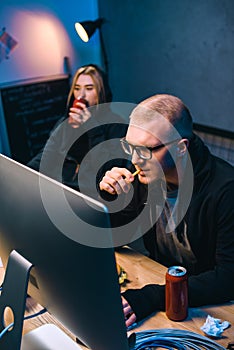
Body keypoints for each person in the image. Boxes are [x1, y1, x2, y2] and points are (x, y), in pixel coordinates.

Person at [99, 94, 234, 328]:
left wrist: (153, 296)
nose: (135, 160)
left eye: (146, 150)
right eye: (130, 147)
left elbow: (227, 279)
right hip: (166, 289)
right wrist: (109, 200)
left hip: (208, 308)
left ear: (181, 148)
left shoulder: (225, 190)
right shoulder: (145, 175)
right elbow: (114, 238)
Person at [28, 64, 128, 198]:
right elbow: (46, 155)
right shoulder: (66, 122)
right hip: (62, 191)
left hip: (94, 197)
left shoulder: (116, 124)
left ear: (101, 92)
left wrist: (91, 126)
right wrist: (22, 173)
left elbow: (107, 168)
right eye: (77, 88)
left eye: (89, 88)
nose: (81, 95)